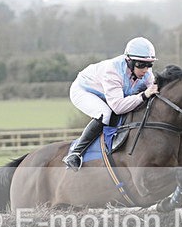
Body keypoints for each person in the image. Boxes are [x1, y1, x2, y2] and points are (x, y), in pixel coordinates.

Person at [62, 37, 159, 170]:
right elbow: (118, 107)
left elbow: (154, 90)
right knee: (105, 114)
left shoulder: (146, 73)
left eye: (149, 64)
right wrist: (143, 95)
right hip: (84, 90)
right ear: (129, 61)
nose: (145, 70)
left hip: (109, 94)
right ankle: (75, 154)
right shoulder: (113, 71)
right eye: (141, 65)